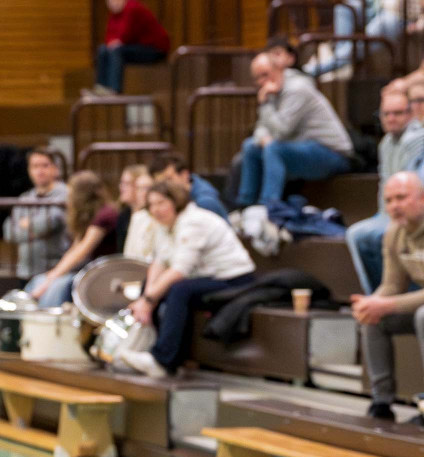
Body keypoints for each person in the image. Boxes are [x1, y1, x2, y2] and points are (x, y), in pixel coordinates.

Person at [117, 180, 256, 378]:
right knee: (149, 285)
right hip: (205, 278)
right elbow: (159, 263)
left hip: (234, 279)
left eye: (161, 203)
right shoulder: (165, 225)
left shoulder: (193, 221)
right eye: (152, 204)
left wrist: (148, 300)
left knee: (179, 290)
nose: (156, 210)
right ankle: (147, 348)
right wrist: (146, 297)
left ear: (176, 202)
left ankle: (163, 361)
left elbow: (180, 270)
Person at [235, 53, 355, 208]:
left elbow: (282, 131)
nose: (261, 82)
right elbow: (260, 128)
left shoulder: (297, 88)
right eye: (257, 78)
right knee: (250, 146)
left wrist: (265, 105)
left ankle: (269, 208)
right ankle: (246, 206)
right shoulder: (272, 91)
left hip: (332, 154)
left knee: (274, 149)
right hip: (302, 149)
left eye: (265, 74)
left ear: (279, 69)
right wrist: (264, 138)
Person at [352, 171, 424, 426]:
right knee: (374, 318)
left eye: (401, 198)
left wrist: (387, 304)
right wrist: (370, 304)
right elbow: (392, 285)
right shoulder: (395, 233)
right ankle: (381, 403)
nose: (394, 206)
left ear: (422, 199)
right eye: (389, 200)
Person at [347, 89, 424, 293]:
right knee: (358, 234)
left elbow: (411, 187)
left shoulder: (416, 138)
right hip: (391, 211)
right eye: (386, 114)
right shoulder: (386, 143)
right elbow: (385, 185)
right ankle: (377, 298)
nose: (391, 119)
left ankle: (401, 298)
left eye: (397, 113)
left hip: (412, 210)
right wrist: (387, 212)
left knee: (383, 233)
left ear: (411, 113)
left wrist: (395, 213)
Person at [25, 170, 119, 307]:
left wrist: (51, 280)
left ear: (81, 195)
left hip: (102, 273)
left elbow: (82, 251)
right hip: (86, 269)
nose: (68, 199)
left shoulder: (105, 214)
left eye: (71, 194)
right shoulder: (88, 215)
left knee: (57, 286)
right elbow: (74, 249)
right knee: (39, 280)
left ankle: (50, 319)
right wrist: (51, 274)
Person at [3, 148, 69, 282]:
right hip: (25, 271)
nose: (40, 171)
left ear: (55, 169)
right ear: (29, 170)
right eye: (35, 166)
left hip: (55, 272)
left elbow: (47, 224)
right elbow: (9, 232)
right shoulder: (25, 198)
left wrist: (26, 224)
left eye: (45, 165)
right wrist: (36, 231)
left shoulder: (65, 195)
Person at [91, 0, 170, 95]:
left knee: (116, 51)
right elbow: (109, 36)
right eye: (109, 1)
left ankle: (114, 89)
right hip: (135, 46)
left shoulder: (132, 8)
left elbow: (127, 35)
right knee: (102, 49)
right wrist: (111, 44)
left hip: (155, 49)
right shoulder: (114, 14)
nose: (112, 4)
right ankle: (100, 87)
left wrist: (115, 43)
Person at [149, 152, 229, 220]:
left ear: (184, 175)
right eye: (159, 183)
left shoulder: (204, 202)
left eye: (168, 179)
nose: (163, 187)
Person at [123, 169, 163, 260]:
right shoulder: (138, 217)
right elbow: (128, 253)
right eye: (139, 188)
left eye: (147, 188)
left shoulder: (163, 217)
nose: (144, 193)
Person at [115, 164, 149, 252]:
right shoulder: (123, 214)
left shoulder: (150, 216)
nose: (121, 187)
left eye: (126, 183)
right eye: (121, 183)